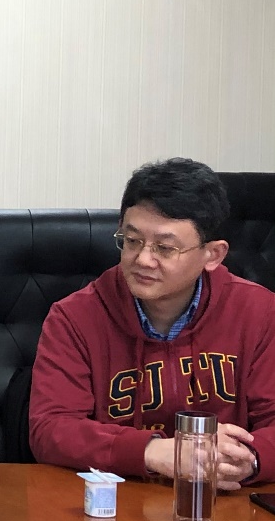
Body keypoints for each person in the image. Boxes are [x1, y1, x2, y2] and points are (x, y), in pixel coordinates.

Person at [29, 158, 275, 487]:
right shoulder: (74, 317)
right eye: (132, 241)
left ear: (213, 255)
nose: (143, 259)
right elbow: (51, 429)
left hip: (222, 503)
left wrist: (250, 460)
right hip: (117, 503)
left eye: (165, 247)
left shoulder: (259, 312)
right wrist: (152, 452)